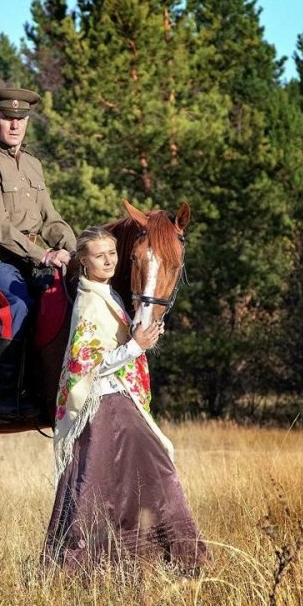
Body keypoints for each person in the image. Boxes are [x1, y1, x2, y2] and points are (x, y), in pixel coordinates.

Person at [42, 227, 208, 572]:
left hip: (120, 399)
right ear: (83, 262)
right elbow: (87, 365)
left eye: (112, 254)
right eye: (98, 255)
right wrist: (136, 346)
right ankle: (180, 556)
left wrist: (140, 336)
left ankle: (137, 559)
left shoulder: (108, 295)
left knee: (110, 484)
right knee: (149, 476)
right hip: (106, 403)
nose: (107, 260)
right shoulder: (89, 302)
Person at [0, 87, 77, 424]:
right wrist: (45, 256)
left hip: (32, 259)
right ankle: (6, 401)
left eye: (21, 119)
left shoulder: (33, 165)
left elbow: (50, 218)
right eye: (7, 118)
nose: (14, 125)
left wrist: (72, 249)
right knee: (17, 305)